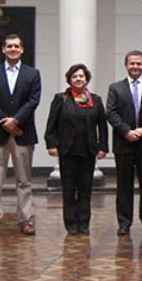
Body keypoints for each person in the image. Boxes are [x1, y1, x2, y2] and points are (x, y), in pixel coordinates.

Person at [0, 34, 42, 237]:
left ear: (22, 49)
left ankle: (25, 219)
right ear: (3, 49)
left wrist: (16, 121)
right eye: (9, 46)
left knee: (24, 180)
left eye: (16, 46)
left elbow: (33, 100)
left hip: (23, 133)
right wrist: (5, 121)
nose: (13, 49)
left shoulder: (32, 74)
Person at [45, 64, 108, 235]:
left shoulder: (96, 100)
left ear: (86, 79)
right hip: (68, 151)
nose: (78, 79)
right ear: (69, 80)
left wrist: (103, 147)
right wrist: (51, 144)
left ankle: (84, 223)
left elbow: (102, 125)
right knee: (69, 188)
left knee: (86, 188)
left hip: (88, 151)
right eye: (75, 77)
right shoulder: (61, 99)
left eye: (81, 76)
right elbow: (52, 124)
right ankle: (71, 223)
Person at [106, 50, 142, 236]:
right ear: (126, 65)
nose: (135, 67)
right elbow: (111, 113)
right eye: (132, 63)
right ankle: (124, 223)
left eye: (139, 63)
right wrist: (126, 131)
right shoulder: (115, 88)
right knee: (124, 185)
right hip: (124, 144)